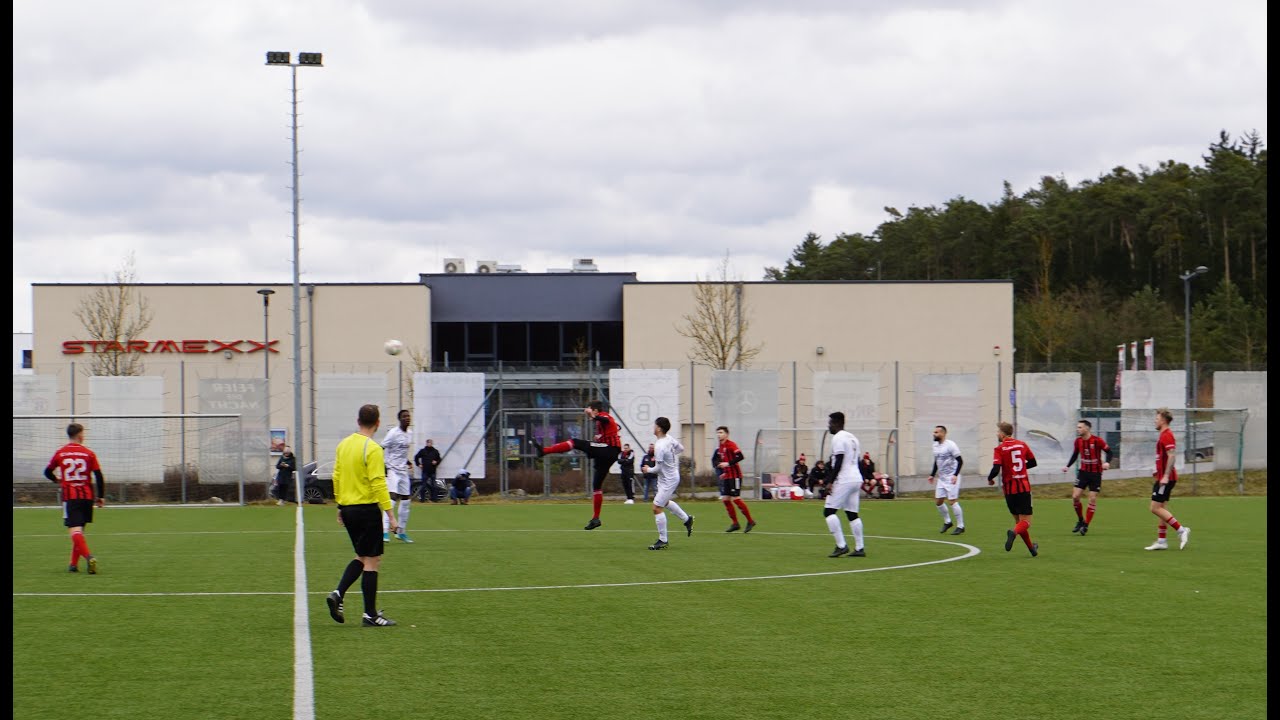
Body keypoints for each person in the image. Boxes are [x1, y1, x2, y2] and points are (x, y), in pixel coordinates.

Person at [325, 404, 399, 627]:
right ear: (377, 423)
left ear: (358, 421)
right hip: (366, 510)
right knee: (373, 561)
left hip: (348, 509)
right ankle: (370, 615)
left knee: (362, 556)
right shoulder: (373, 448)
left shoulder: (344, 445)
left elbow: (336, 476)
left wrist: (340, 505)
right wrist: (390, 515)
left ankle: (338, 594)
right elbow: (378, 483)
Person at [537, 400, 622, 530]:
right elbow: (615, 427)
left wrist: (594, 416)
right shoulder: (601, 422)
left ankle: (545, 451)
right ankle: (596, 518)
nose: (588, 412)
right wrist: (601, 436)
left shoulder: (604, 416)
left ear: (595, 410)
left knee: (575, 442)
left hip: (609, 449)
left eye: (589, 409)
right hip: (608, 453)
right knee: (596, 486)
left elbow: (607, 421)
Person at [44, 423, 105, 574]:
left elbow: (47, 472)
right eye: (83, 434)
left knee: (74, 531)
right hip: (86, 497)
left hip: (70, 497)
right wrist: (101, 496)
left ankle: (89, 557)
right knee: (79, 531)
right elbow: (98, 476)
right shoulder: (89, 453)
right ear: (79, 435)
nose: (84, 436)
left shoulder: (61, 453)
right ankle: (73, 565)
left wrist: (56, 479)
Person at [641, 416, 695, 550]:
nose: (653, 427)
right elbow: (680, 448)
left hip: (668, 479)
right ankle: (687, 519)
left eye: (654, 425)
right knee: (663, 503)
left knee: (656, 507)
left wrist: (648, 469)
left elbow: (658, 468)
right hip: (666, 477)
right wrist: (670, 458)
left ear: (659, 428)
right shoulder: (668, 438)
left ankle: (663, 540)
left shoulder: (659, 446)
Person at [988, 422, 1039, 557]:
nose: (997, 434)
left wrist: (990, 478)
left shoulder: (999, 449)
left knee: (1019, 522)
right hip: (1023, 488)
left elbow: (995, 469)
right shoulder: (1022, 445)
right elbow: (1033, 462)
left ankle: (1032, 549)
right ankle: (1013, 533)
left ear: (1003, 434)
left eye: (998, 431)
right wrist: (1021, 468)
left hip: (1009, 491)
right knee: (1025, 522)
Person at [821, 411, 866, 558]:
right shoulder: (853, 438)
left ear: (837, 423)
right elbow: (857, 460)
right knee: (852, 513)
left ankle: (841, 546)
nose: (829, 426)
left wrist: (830, 482)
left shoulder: (838, 438)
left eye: (830, 423)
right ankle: (860, 548)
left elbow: (839, 461)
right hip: (855, 478)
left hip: (844, 478)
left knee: (828, 511)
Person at [1145, 408, 1191, 551]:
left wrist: (1165, 475)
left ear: (1164, 420)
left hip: (1166, 478)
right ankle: (1162, 541)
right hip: (1162, 476)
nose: (1155, 420)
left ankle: (1181, 530)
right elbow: (1164, 457)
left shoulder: (1167, 435)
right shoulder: (1163, 435)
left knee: (1155, 507)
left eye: (1157, 418)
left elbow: (1172, 455)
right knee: (1161, 508)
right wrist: (1157, 470)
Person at [1061, 419, 1113, 535]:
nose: (1077, 429)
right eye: (1077, 427)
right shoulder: (1078, 441)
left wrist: (1107, 462)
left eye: (1080, 427)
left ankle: (1086, 525)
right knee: (1075, 496)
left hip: (1095, 474)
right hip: (1083, 472)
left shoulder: (1097, 441)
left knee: (1092, 499)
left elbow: (1110, 452)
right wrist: (1067, 466)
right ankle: (1080, 520)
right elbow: (1075, 454)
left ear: (1087, 428)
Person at [381, 409, 415, 543]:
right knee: (392, 499)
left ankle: (401, 532)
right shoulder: (393, 433)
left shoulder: (410, 434)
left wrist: (407, 461)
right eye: (404, 416)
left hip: (403, 471)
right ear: (399, 419)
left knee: (406, 501)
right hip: (392, 469)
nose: (407, 418)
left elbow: (401, 451)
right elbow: (381, 447)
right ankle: (384, 532)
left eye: (408, 416)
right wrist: (382, 466)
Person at [713, 426, 756, 532]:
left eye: (721, 432)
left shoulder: (731, 444)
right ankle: (735, 523)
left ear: (727, 434)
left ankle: (750, 521)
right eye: (718, 433)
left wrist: (727, 464)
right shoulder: (720, 447)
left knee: (736, 499)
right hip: (727, 476)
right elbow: (721, 461)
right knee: (725, 500)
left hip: (735, 476)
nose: (719, 435)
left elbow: (740, 456)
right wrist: (723, 471)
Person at [927, 426, 966, 535]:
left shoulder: (951, 445)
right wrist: (932, 474)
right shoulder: (935, 445)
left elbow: (960, 461)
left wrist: (955, 475)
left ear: (943, 434)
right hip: (942, 478)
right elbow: (936, 461)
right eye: (933, 432)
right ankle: (948, 522)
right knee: (938, 502)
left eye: (936, 432)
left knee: (952, 501)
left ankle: (960, 526)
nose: (934, 434)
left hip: (952, 477)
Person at [413, 438, 441, 503]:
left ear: (432, 444)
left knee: (434, 485)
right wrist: (418, 464)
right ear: (426, 443)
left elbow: (439, 459)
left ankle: (434, 499)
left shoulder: (435, 451)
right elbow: (416, 457)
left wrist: (436, 462)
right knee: (423, 485)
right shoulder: (422, 451)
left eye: (430, 443)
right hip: (425, 471)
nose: (429, 444)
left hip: (432, 471)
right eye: (428, 443)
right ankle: (422, 499)